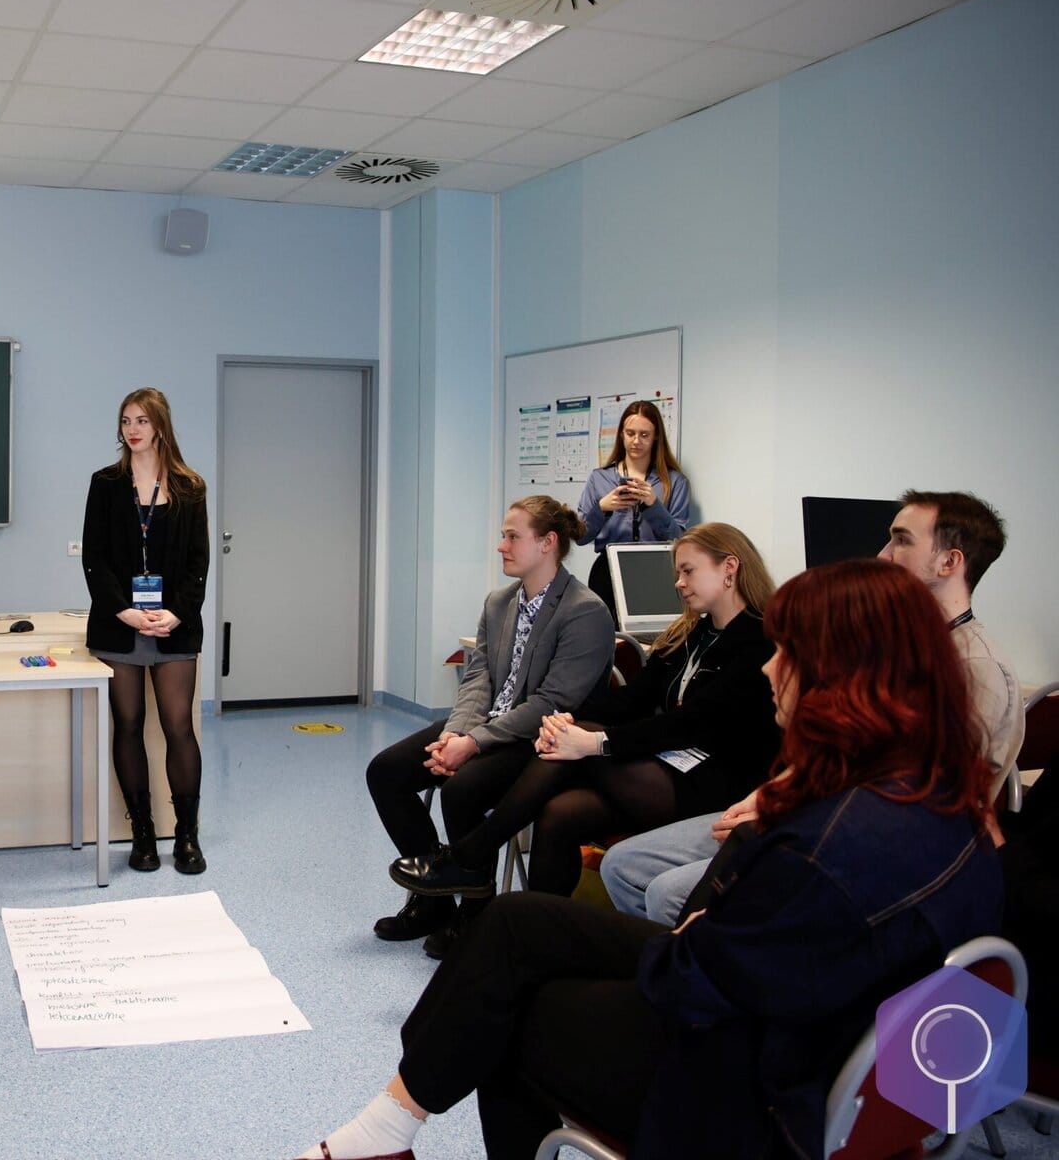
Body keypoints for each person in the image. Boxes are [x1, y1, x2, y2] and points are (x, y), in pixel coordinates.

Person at [298, 559, 1002, 1160]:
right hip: (834, 1050)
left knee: (502, 1012)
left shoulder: (818, 852)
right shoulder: (946, 802)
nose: (769, 666)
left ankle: (386, 1127)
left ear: (840, 677)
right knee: (516, 923)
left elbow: (685, 982)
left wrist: (706, 924)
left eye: (787, 653)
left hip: (752, 1090)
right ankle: (390, 1122)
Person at [602, 488, 1022, 924]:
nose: (882, 554)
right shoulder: (890, 648)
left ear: (949, 562)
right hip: (811, 809)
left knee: (669, 894)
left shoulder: (976, 672)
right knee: (623, 866)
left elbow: (920, 812)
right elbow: (833, 752)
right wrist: (771, 793)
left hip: (854, 844)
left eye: (901, 540)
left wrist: (786, 808)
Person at [396, 524, 779, 928]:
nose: (678, 583)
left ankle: (469, 856)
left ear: (729, 568)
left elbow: (691, 725)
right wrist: (568, 721)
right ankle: (535, 935)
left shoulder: (760, 640)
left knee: (578, 750)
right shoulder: (691, 633)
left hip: (719, 782)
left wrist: (596, 742)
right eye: (678, 573)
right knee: (560, 813)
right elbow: (633, 700)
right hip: (667, 765)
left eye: (688, 571)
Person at [367, 496, 613, 955]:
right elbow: (478, 676)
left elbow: (551, 702)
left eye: (512, 536)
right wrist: (454, 732)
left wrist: (473, 743)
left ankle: (476, 914)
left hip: (536, 738)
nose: (501, 545)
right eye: (503, 536)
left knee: (462, 788)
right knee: (386, 772)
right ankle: (434, 899)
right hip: (485, 724)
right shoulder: (499, 603)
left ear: (548, 543)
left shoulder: (585, 610)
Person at [81, 387, 212, 874]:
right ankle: (142, 834)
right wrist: (123, 611)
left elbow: (199, 562)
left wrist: (177, 612)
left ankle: (186, 835)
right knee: (129, 725)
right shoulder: (105, 483)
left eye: (141, 420)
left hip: (173, 626)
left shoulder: (189, 487)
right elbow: (94, 558)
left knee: (179, 727)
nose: (132, 429)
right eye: (126, 420)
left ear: (160, 426)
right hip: (120, 627)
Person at [577, 400, 690, 615]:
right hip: (607, 572)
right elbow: (581, 536)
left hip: (656, 571)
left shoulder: (675, 481)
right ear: (621, 434)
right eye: (630, 433)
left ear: (656, 436)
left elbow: (679, 540)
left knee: (654, 632)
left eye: (644, 435)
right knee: (605, 632)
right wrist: (602, 508)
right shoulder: (599, 478)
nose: (636, 441)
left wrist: (653, 505)